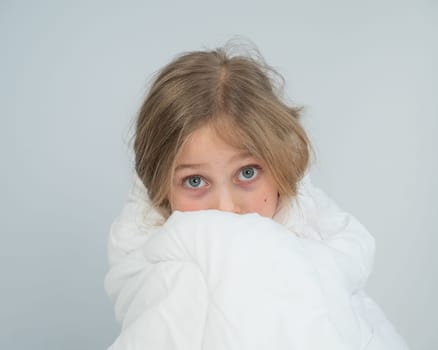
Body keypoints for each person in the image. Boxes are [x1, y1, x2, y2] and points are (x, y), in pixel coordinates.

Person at [104, 44, 410, 349]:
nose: (225, 209)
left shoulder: (323, 258)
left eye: (247, 173)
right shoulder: (177, 282)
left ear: (280, 169)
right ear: (160, 191)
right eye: (195, 181)